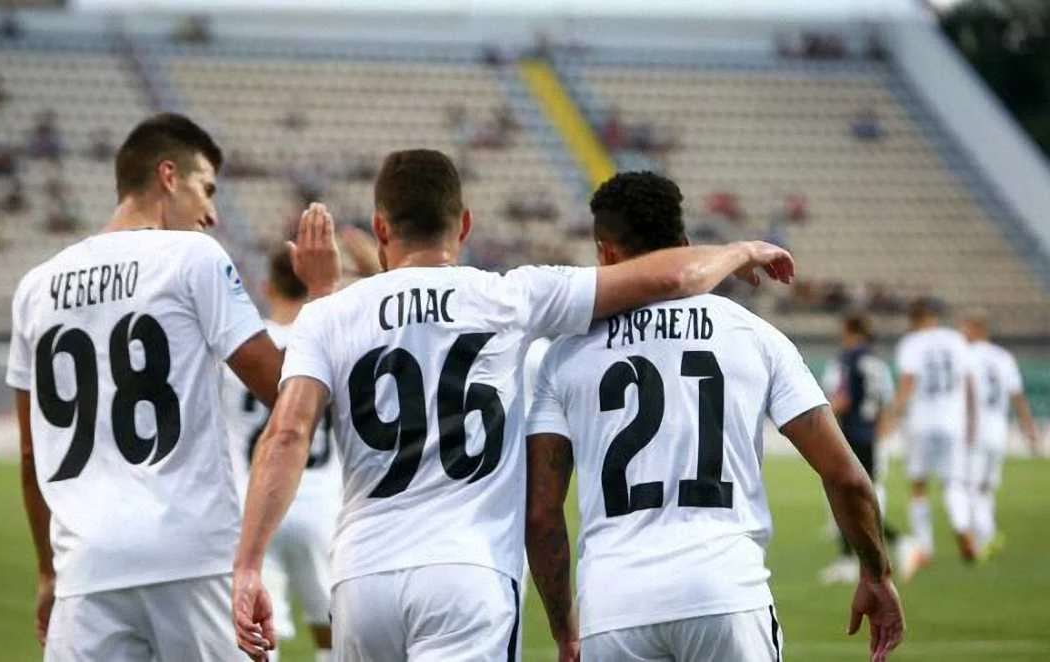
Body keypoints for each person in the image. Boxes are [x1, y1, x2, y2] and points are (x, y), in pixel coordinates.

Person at [231, 149, 797, 661]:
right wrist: (740, 249)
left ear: (381, 226)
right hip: (467, 571)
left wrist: (249, 565)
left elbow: (287, 433)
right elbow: (673, 277)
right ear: (465, 224)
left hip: (362, 575)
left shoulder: (328, 315)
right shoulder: (509, 295)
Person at [525, 171, 904, 662]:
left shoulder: (563, 356)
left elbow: (542, 515)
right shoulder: (755, 336)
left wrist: (564, 629)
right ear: (686, 245)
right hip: (725, 591)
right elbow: (846, 476)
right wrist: (876, 574)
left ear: (605, 253)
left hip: (613, 604)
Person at [5, 113, 332, 661]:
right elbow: (282, 387)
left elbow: (30, 452)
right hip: (191, 555)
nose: (212, 213)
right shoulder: (192, 257)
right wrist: (322, 297)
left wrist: (47, 572)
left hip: (85, 568)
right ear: (168, 176)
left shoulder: (35, 288)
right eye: (207, 188)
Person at [222, 247, 338, 662]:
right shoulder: (329, 342)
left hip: (254, 504)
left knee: (255, 631)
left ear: (267, 286)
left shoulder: (242, 350)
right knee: (334, 629)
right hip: (320, 502)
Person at [880, 298, 978, 577]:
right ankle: (963, 528)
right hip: (952, 421)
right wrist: (971, 419)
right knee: (953, 482)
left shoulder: (911, 344)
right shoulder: (956, 340)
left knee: (918, 484)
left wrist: (892, 416)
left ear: (914, 319)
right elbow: (968, 382)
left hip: (921, 421)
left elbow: (908, 382)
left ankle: (924, 547)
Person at [819, 314, 902, 584]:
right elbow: (887, 403)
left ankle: (885, 546)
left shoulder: (848, 358)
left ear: (850, 331)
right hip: (870, 437)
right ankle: (882, 549)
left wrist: (820, 421)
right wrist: (882, 432)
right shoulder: (877, 362)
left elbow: (842, 398)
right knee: (864, 495)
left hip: (850, 434)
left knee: (846, 497)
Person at [960, 310, 1039, 559]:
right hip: (998, 431)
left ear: (975, 328)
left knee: (970, 486)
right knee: (986, 487)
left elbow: (964, 393)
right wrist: (1028, 427)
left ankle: (985, 534)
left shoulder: (966, 355)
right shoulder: (1004, 357)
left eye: (965, 327)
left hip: (974, 430)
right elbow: (1018, 396)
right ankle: (987, 534)